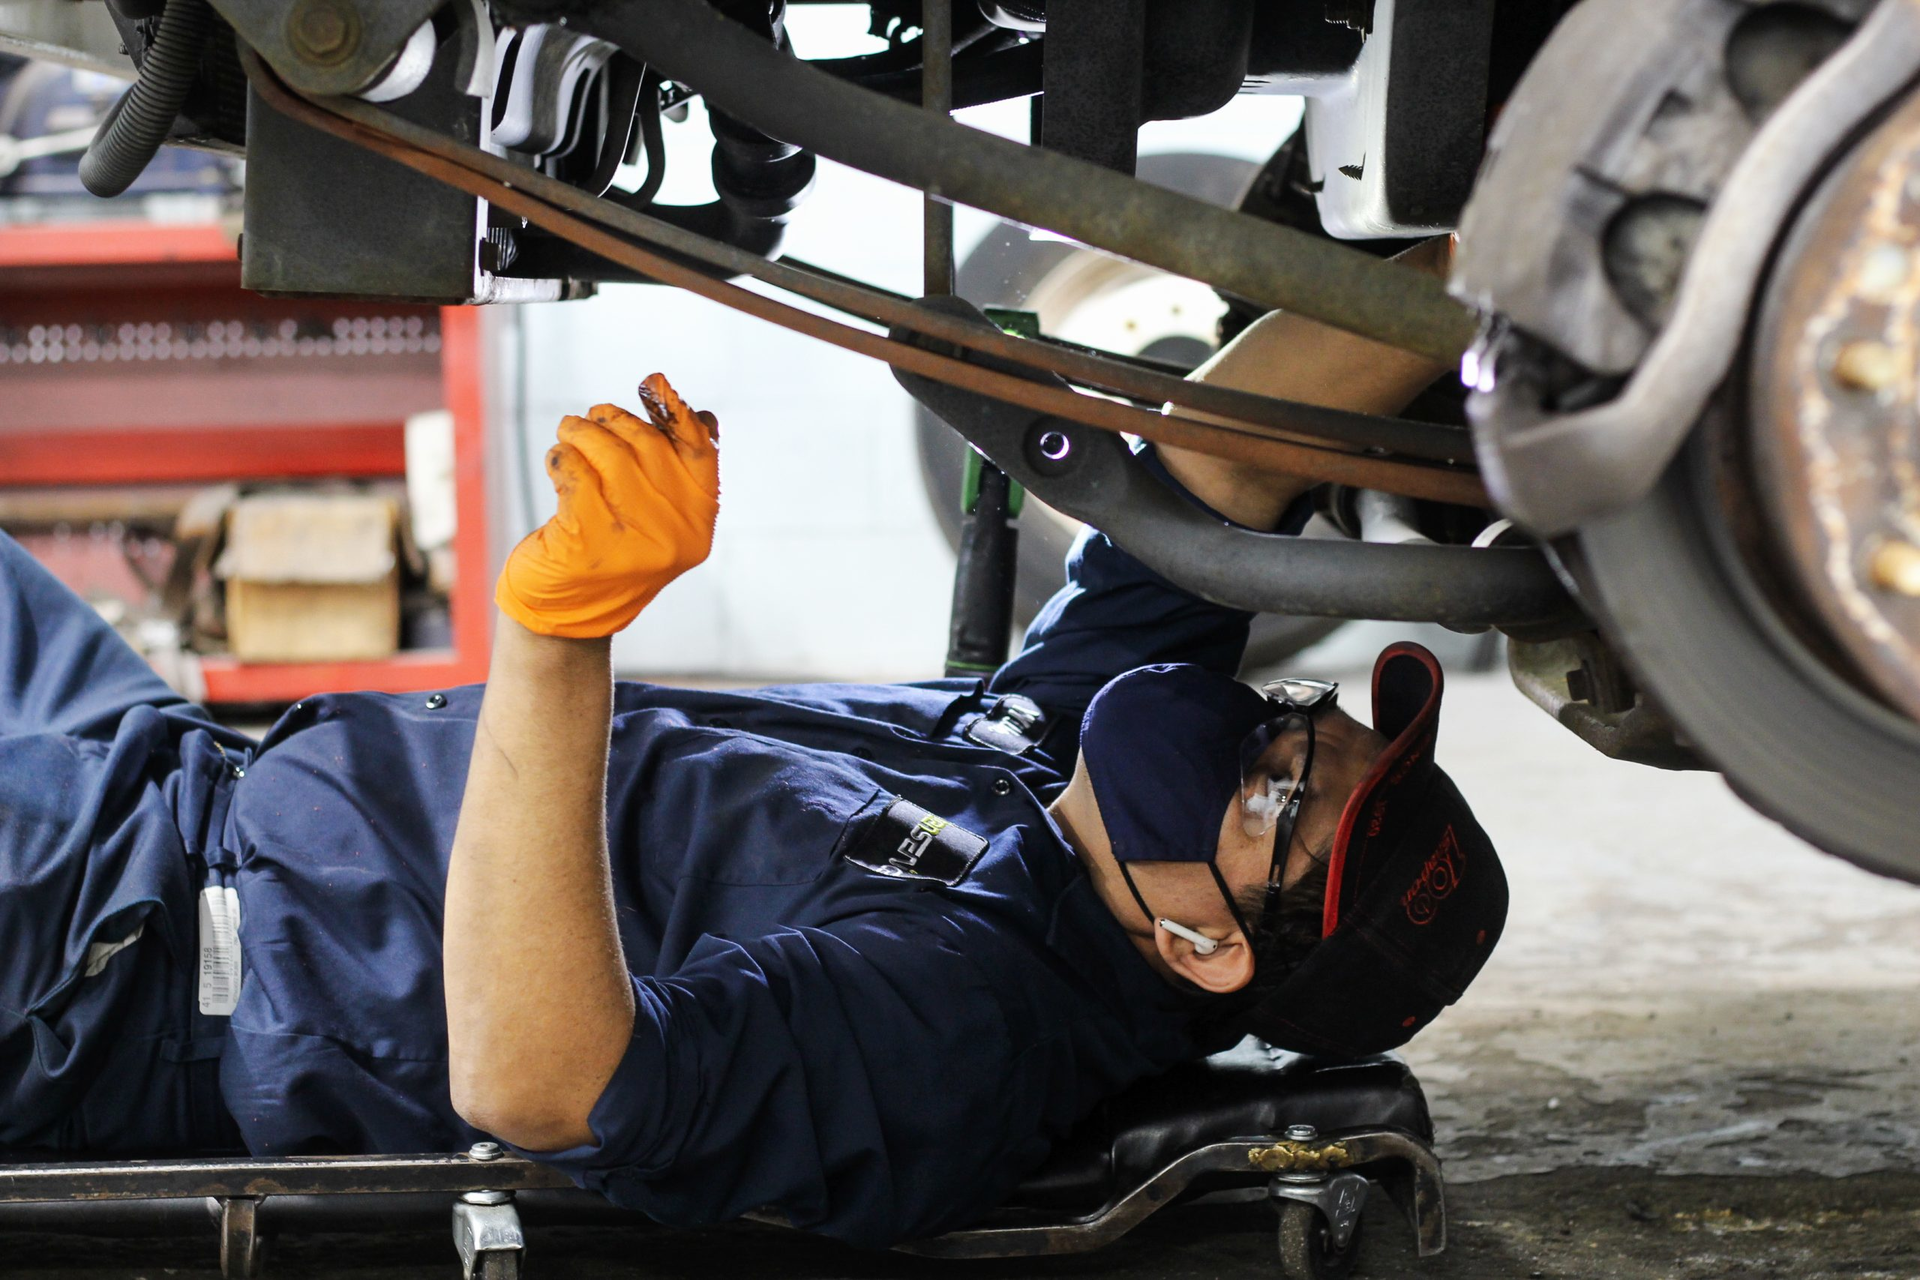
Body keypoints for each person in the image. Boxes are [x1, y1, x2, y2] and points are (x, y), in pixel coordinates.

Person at [0, 255, 1506, 1249]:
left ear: (1202, 943)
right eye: (1323, 723)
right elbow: (1233, 460)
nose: (1279, 727)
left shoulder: (961, 1024)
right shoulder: (1075, 789)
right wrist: (1498, 252)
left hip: (130, 964)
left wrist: (561, 637)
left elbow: (546, 1081)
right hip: (178, 774)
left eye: (1289, 788)